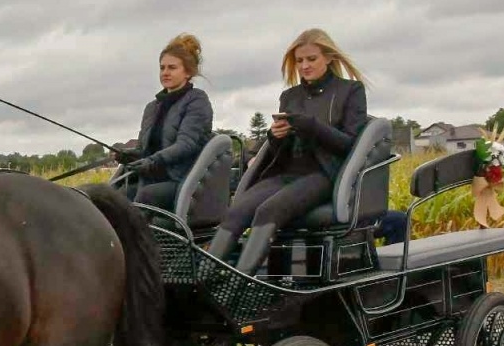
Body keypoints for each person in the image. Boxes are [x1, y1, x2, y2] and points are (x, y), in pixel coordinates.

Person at [208, 28, 370, 275]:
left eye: (311, 59)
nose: (304, 66)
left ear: (328, 58)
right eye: (300, 60)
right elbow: (277, 152)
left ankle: (239, 283)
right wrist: (275, 136)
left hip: (324, 174)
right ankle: (204, 278)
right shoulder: (290, 96)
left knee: (268, 211)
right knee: (237, 211)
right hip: (287, 172)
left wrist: (311, 126)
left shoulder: (351, 91)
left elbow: (350, 145)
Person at [119, 33, 213, 211]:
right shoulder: (152, 107)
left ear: (188, 72)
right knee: (110, 198)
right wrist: (129, 155)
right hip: (148, 180)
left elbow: (186, 144)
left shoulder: (197, 101)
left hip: (180, 180)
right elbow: (144, 149)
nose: (165, 73)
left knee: (145, 197)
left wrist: (153, 160)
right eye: (162, 68)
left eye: (172, 68)